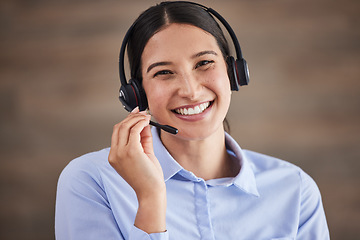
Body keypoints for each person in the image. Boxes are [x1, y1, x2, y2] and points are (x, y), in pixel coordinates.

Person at [55, 1, 330, 239]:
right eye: (163, 72)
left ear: (234, 72)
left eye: (204, 63)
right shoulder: (91, 182)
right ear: (137, 94)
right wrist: (150, 198)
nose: (190, 90)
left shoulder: (294, 189)